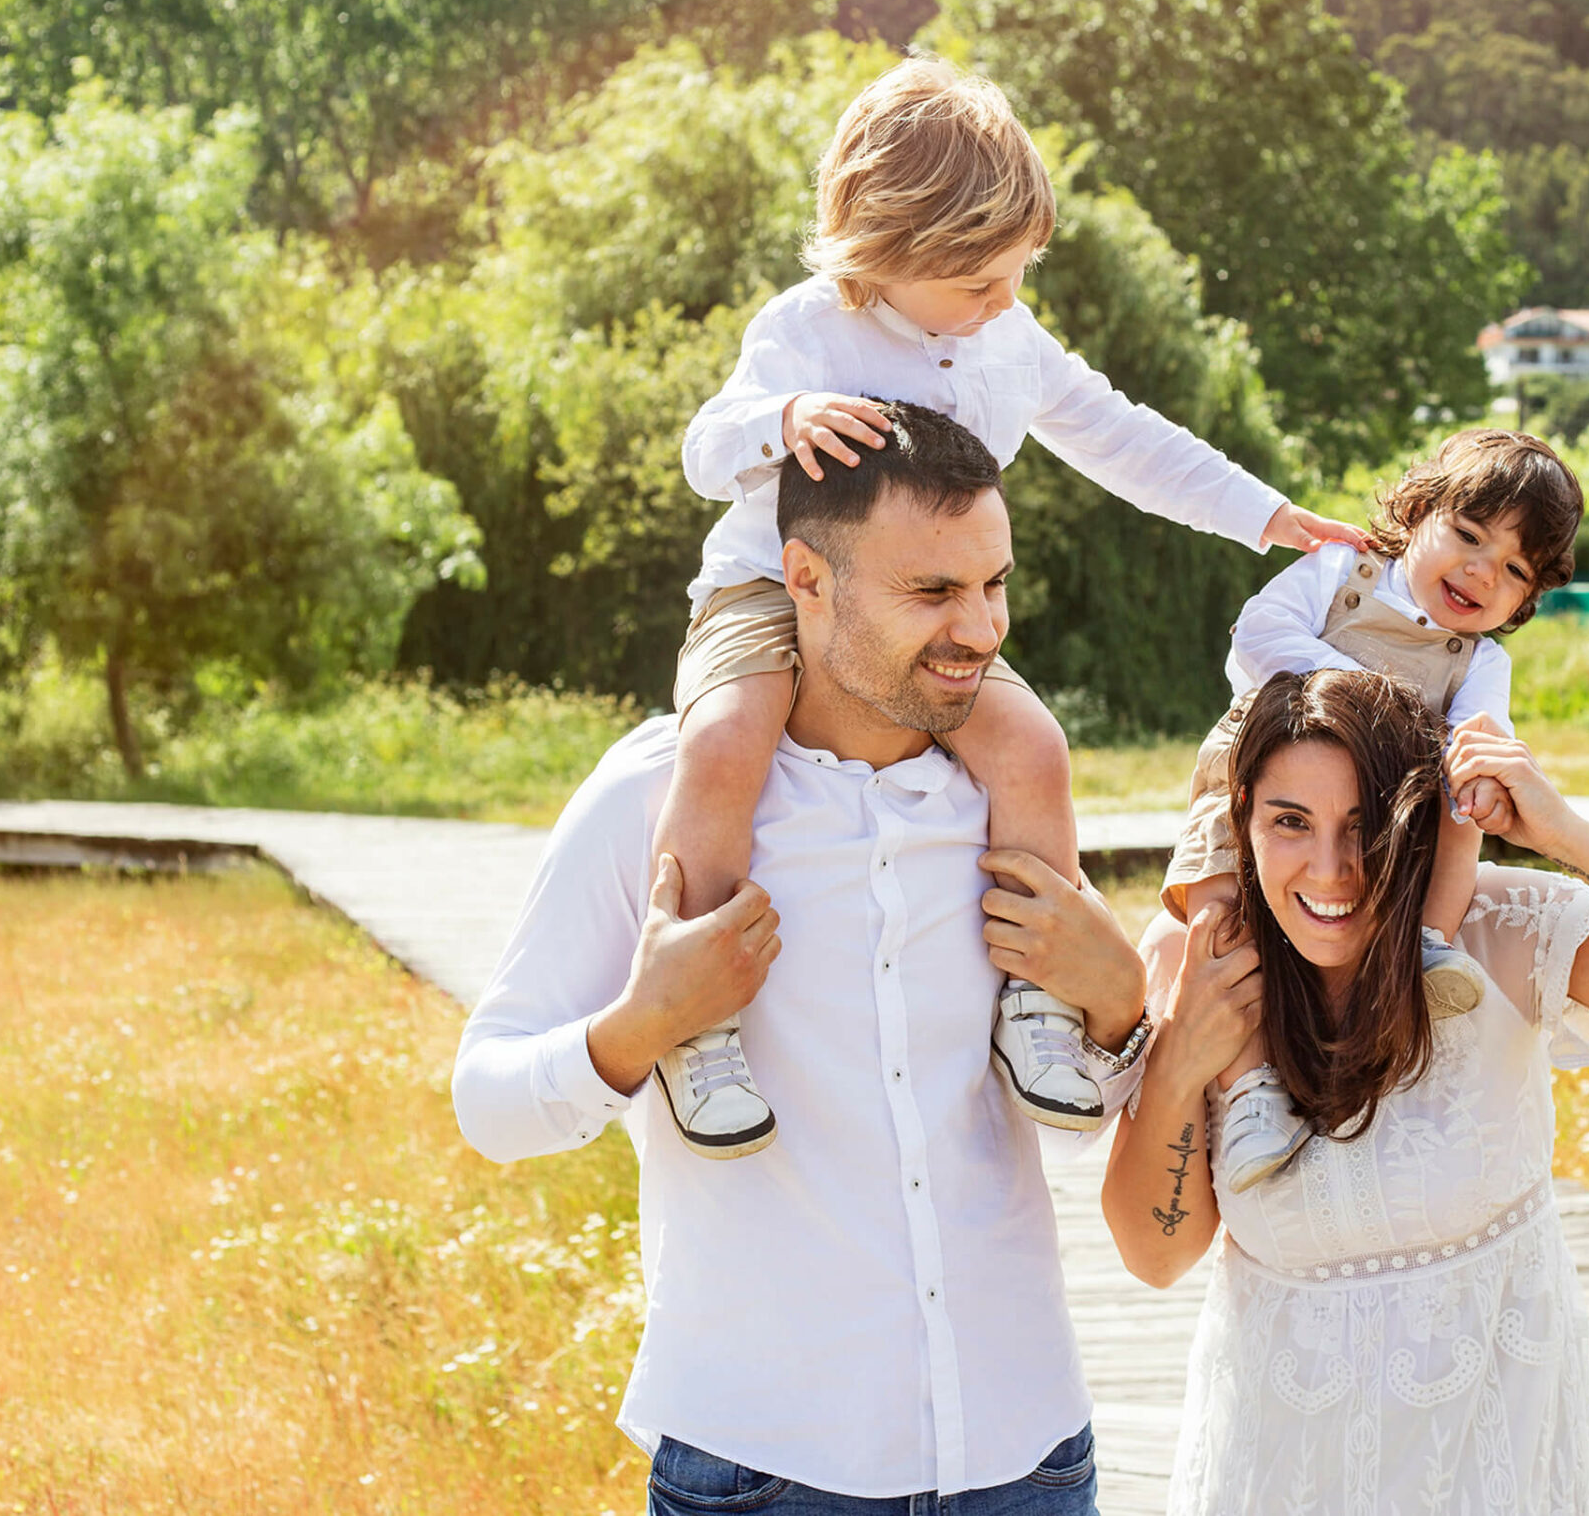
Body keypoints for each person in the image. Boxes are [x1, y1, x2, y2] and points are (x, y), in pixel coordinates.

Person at [453, 403, 1154, 1513]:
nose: (981, 629)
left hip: (1026, 1457)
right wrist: (639, 1028)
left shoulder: (1013, 804)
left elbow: (1075, 1119)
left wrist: (1120, 1007)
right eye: (932, 593)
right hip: (765, 1469)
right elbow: (484, 1102)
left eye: (995, 584)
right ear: (805, 579)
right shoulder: (658, 796)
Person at [662, 54, 1360, 1157]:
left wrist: (1268, 517)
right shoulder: (806, 329)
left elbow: (1123, 437)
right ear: (885, 251)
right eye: (979, 280)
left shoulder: (1009, 341)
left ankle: (1034, 1003)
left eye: (1017, 274)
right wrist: (783, 416)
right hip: (772, 587)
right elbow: (706, 448)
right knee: (721, 745)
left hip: (934, 614)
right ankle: (695, 1012)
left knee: (1031, 746)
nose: (1004, 303)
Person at [1102, 669, 1589, 1513]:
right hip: (1275, 1479)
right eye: (1290, 822)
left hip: (1496, 1473)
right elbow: (1156, 1255)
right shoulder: (1203, 966)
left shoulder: (1498, 935)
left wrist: (1566, 832)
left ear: (1414, 824)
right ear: (1242, 819)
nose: (1331, 871)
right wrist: (1185, 1053)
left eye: (1363, 827)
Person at [1153, 427, 1585, 1190]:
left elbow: (1482, 731)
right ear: (1417, 512)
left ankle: (1428, 946)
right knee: (1218, 905)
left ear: (1526, 598)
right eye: (1468, 534)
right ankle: (1248, 1087)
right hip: (1269, 775)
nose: (1481, 571)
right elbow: (1257, 637)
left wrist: (1479, 771)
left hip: (1386, 810)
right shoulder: (1339, 571)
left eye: (1514, 569)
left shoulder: (1480, 659)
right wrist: (1370, 694)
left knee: (1464, 807)